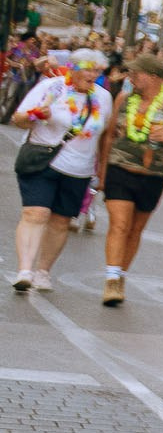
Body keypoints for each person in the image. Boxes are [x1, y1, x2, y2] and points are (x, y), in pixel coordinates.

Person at [97, 52, 163, 306]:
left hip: (153, 175)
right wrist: (102, 171)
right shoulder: (124, 99)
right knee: (119, 224)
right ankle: (111, 278)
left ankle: (121, 276)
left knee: (135, 230)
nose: (130, 76)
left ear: (153, 77)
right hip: (120, 169)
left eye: (135, 73)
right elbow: (108, 136)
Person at [11, 49, 111, 291]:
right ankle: (24, 270)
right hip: (43, 160)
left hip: (79, 169)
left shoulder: (104, 97)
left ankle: (43, 271)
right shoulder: (52, 88)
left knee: (60, 222)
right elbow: (18, 119)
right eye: (88, 69)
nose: (93, 75)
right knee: (36, 213)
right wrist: (36, 115)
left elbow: (106, 135)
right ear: (74, 68)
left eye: (98, 71)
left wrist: (103, 173)